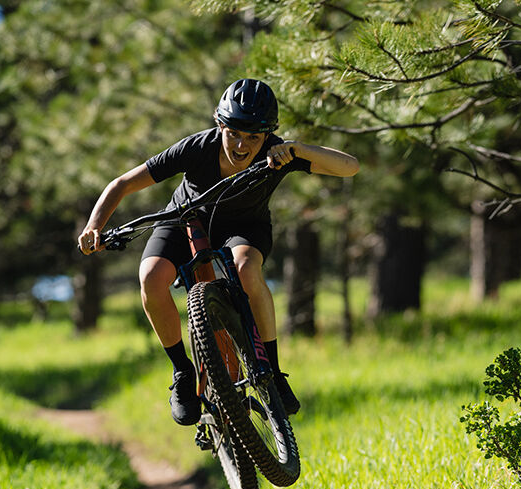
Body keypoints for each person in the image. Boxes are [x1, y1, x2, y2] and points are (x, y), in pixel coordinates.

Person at [78, 78, 359, 426]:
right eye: (234, 133)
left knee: (246, 269)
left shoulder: (278, 154)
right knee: (151, 277)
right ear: (219, 124)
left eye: (253, 137)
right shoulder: (196, 148)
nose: (241, 145)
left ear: (267, 135)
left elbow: (350, 167)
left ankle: (271, 373)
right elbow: (121, 184)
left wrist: (297, 149)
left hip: (245, 228)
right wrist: (94, 226)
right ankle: (183, 372)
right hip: (184, 219)